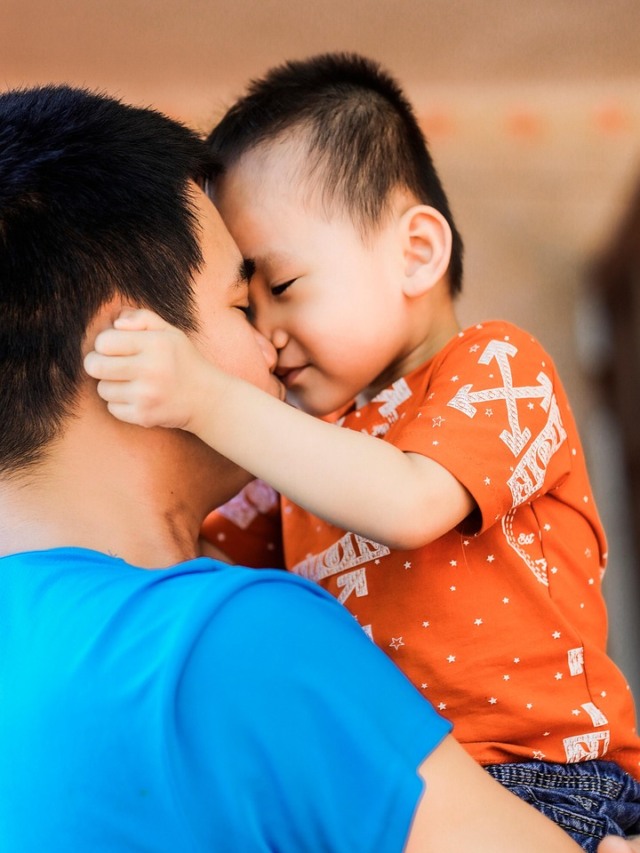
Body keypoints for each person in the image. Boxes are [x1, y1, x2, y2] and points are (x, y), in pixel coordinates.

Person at [0, 82, 588, 853]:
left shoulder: (487, 366)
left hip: (551, 772)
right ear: (125, 347)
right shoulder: (234, 642)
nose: (273, 346)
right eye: (246, 307)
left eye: (280, 291)